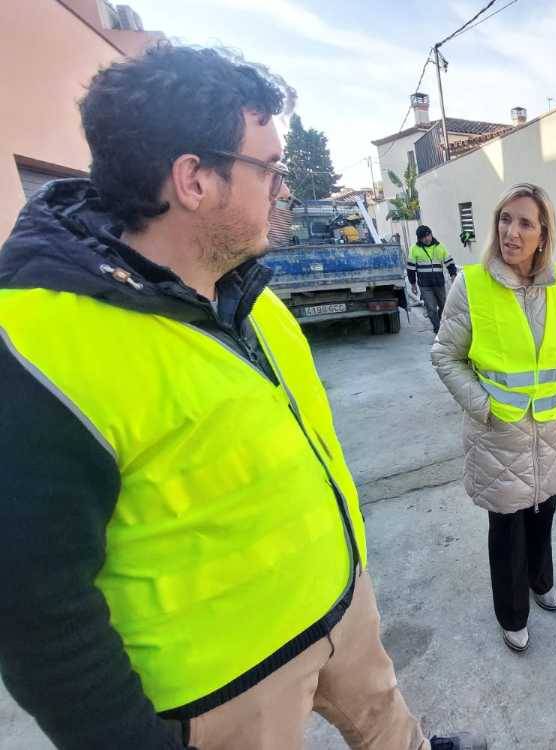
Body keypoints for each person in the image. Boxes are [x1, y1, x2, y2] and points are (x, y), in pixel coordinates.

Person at [0, 44, 481, 750]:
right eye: (269, 168)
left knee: (389, 722)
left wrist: (349, 572)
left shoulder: (252, 298)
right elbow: (34, 610)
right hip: (230, 685)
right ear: (194, 179)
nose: (283, 189)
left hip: (340, 605)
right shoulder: (36, 346)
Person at [431, 183, 556, 654]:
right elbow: (445, 355)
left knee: (543, 513)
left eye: (525, 223)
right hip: (498, 434)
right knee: (507, 529)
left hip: (551, 430)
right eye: (505, 219)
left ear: (543, 234)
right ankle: (512, 614)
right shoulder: (472, 284)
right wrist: (482, 405)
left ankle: (541, 581)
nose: (512, 232)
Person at [408, 225, 457, 333]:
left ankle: (441, 322)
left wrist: (453, 275)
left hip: (439, 283)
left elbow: (449, 262)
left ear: (431, 234)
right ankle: (437, 328)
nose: (426, 239)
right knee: (431, 308)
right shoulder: (414, 249)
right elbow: (411, 268)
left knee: (444, 306)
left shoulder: (440, 247)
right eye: (423, 237)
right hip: (425, 285)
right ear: (419, 239)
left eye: (428, 235)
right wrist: (413, 284)